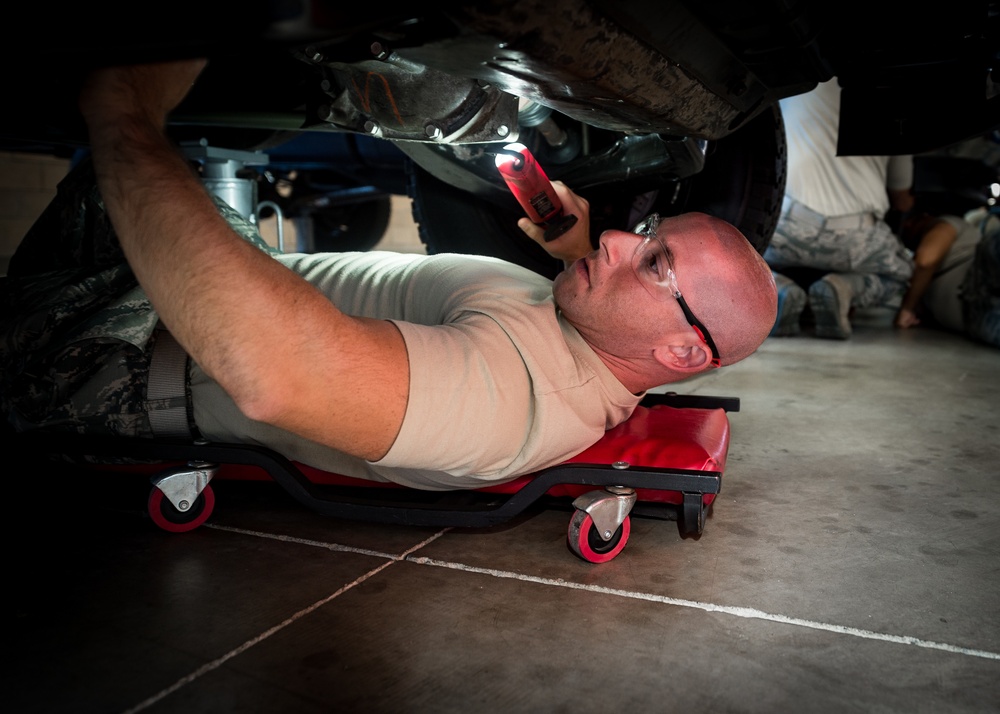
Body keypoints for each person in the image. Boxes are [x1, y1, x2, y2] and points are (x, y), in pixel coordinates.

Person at [0, 60, 777, 491]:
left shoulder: (512, 405)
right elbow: (600, 274)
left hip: (113, 352)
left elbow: (277, 376)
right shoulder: (595, 335)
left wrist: (124, 115)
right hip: (173, 293)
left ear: (683, 354)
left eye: (652, 260)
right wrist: (571, 244)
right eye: (644, 233)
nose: (612, 238)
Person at [764, 78, 915, 339]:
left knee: (743, 252)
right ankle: (844, 287)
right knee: (902, 274)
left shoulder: (794, 81)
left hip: (786, 225)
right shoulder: (895, 102)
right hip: (855, 237)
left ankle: (775, 287)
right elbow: (901, 198)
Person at [895, 203, 1000, 347]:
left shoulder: (945, 223)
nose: (906, 228)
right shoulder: (915, 280)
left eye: (910, 223)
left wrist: (907, 308)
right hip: (974, 316)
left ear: (923, 217)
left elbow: (926, 261)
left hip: (979, 272)